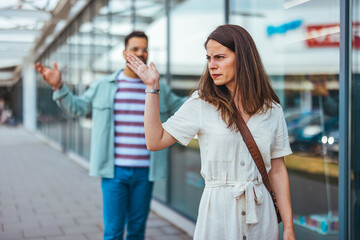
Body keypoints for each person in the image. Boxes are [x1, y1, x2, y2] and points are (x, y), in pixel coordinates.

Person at [126, 24, 296, 240]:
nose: (212, 65)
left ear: (243, 58)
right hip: (219, 216)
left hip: (262, 219)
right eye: (208, 58)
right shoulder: (201, 102)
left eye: (220, 57)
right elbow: (155, 141)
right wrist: (151, 87)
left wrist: (288, 228)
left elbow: (278, 170)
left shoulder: (271, 110)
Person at [34, 31, 185, 240]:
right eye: (135, 48)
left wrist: (212, 93)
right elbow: (78, 108)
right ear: (124, 53)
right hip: (114, 172)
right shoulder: (103, 85)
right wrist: (58, 86)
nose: (140, 53)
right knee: (113, 232)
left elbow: (183, 107)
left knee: (136, 231)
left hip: (145, 173)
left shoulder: (159, 88)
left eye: (144, 49)